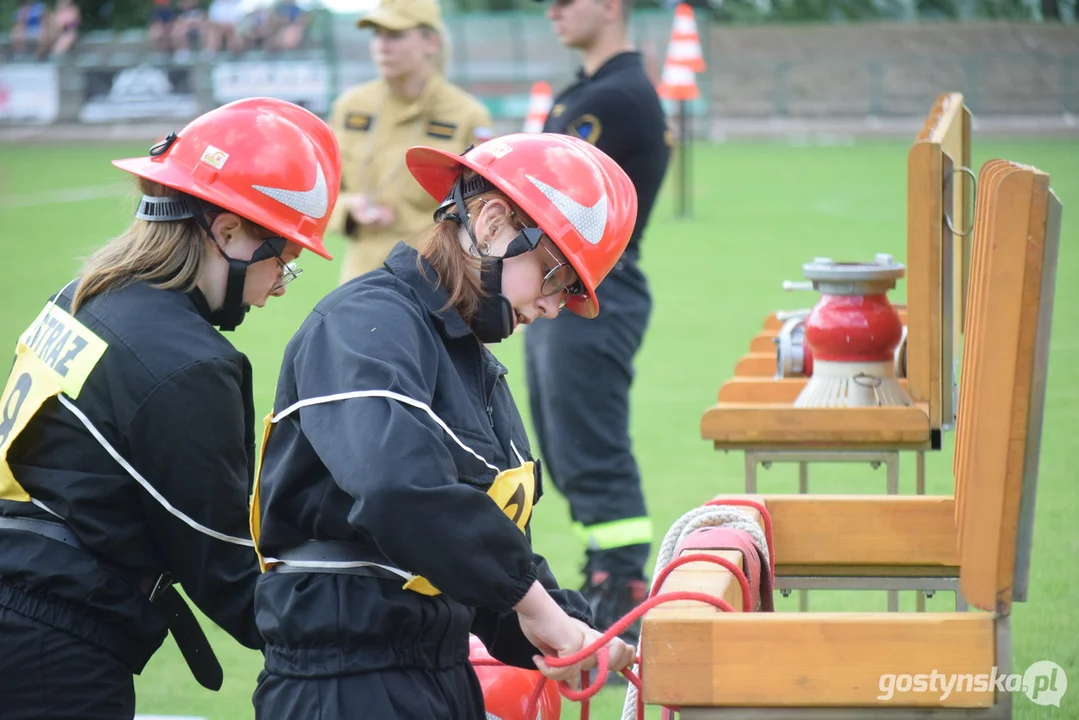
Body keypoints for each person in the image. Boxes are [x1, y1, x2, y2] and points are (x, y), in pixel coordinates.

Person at [249, 132, 639, 719]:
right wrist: (537, 608)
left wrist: (580, 630)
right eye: (557, 276)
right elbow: (399, 490)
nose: (556, 306)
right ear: (492, 223)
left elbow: (485, 547)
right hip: (345, 685)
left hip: (435, 671)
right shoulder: (363, 322)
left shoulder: (471, 360)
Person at [0, 97, 341, 720]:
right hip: (51, 646)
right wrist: (367, 640)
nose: (273, 292)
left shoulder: (85, 295)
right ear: (230, 232)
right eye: (283, 264)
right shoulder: (188, 363)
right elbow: (225, 567)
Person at [525, 0, 672, 650]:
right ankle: (606, 574)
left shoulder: (616, 99)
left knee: (591, 448)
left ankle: (624, 593)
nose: (552, 10)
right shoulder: (590, 92)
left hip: (594, 291)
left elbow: (558, 197)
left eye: (566, 0)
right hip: (567, 289)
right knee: (566, 447)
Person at [328, 0, 494, 286]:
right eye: (377, 35)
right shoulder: (352, 106)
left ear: (430, 42)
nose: (382, 45)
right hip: (359, 280)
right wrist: (348, 209)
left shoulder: (466, 114)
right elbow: (322, 189)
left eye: (395, 35)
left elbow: (486, 205)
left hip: (435, 282)